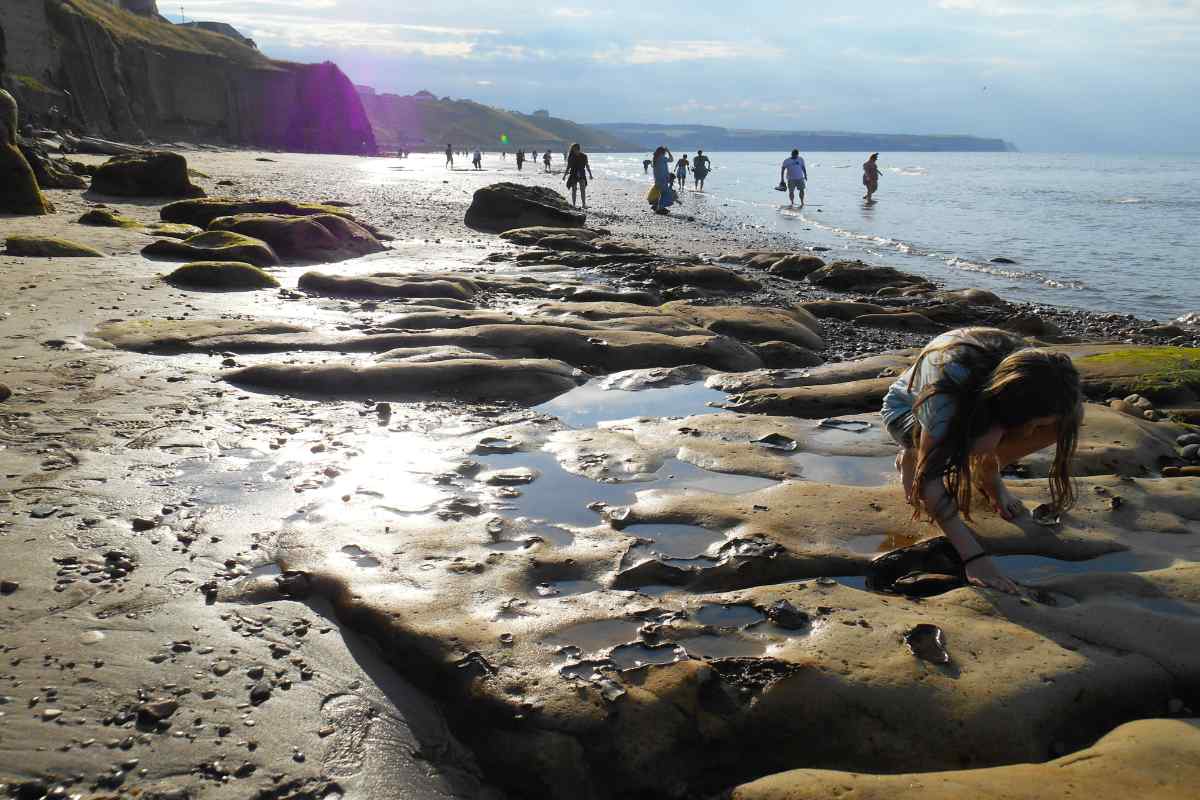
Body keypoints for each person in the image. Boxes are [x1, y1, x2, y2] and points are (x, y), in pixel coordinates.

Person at [880, 328, 1084, 594]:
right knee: (966, 448)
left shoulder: (1031, 372)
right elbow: (930, 480)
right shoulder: (947, 389)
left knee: (1070, 418)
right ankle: (913, 453)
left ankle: (988, 475)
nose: (1034, 433)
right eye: (1032, 425)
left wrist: (996, 447)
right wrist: (975, 559)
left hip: (982, 406)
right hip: (905, 412)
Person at [564, 142, 594, 209]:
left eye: (576, 149)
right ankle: (574, 205)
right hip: (573, 174)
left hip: (582, 174)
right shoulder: (571, 156)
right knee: (574, 190)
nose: (575, 151)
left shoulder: (584, 156)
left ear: (579, 149)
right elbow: (568, 166)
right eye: (573, 150)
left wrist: (590, 174)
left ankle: (583, 204)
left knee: (582, 189)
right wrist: (564, 175)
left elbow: (587, 165)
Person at [651, 145, 675, 214]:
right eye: (665, 152)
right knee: (666, 194)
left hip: (658, 179)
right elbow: (671, 159)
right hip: (663, 180)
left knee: (662, 194)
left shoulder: (655, 158)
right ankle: (660, 207)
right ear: (663, 152)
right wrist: (668, 151)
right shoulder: (662, 158)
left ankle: (657, 206)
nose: (665, 153)